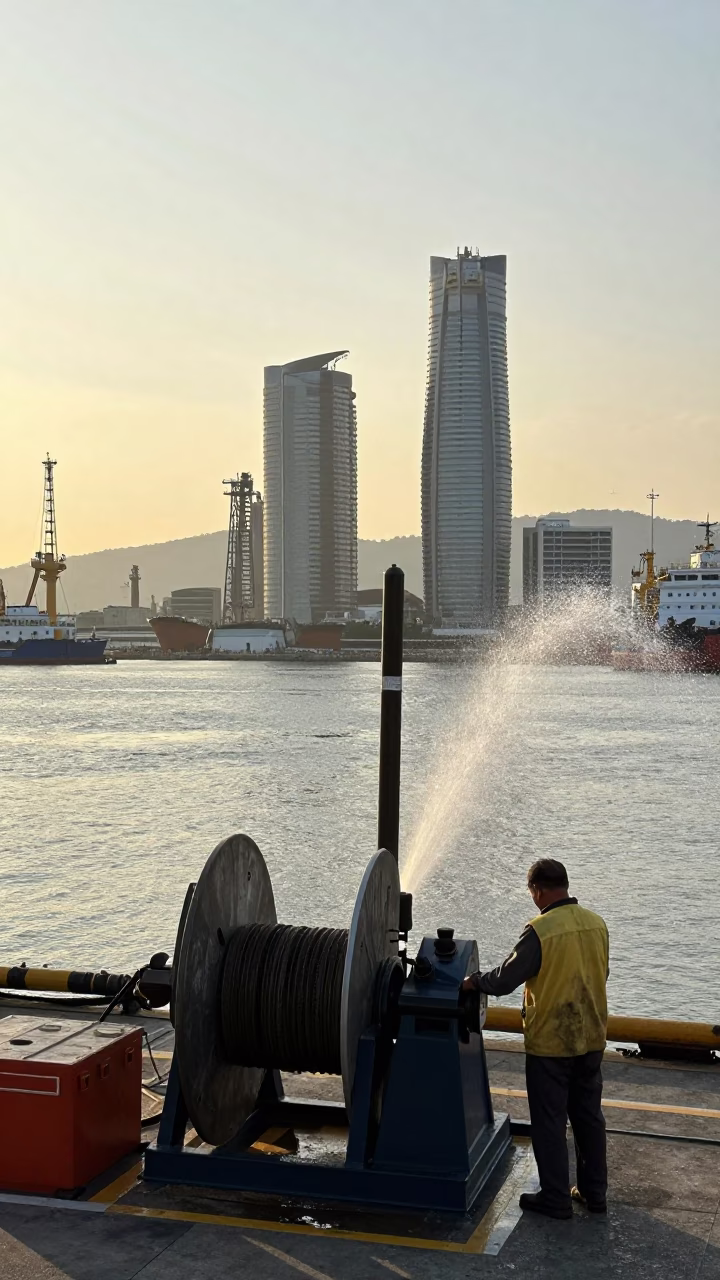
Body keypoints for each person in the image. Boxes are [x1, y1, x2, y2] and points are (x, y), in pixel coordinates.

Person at [463, 858, 609, 1220]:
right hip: (591, 1037)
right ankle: (595, 1194)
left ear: (538, 890)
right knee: (589, 1117)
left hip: (552, 1044)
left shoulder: (540, 930)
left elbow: (505, 979)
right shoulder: (596, 924)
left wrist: (473, 981)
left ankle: (556, 1199)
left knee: (549, 1121)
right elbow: (601, 972)